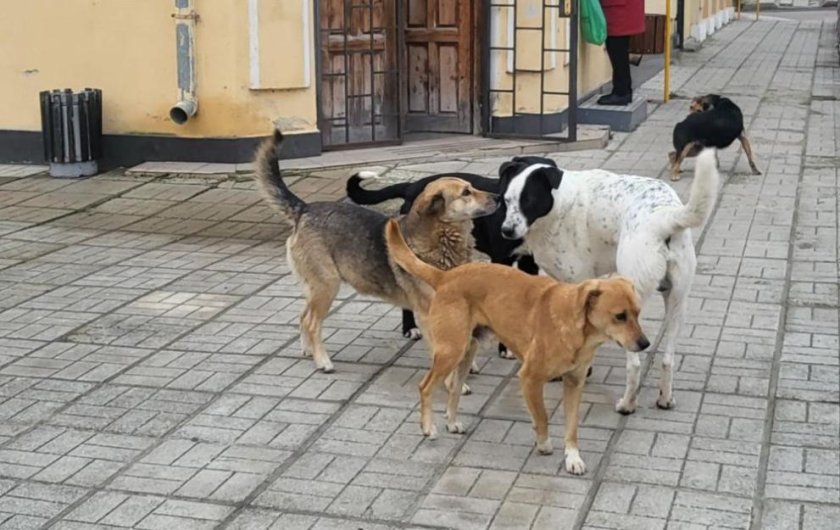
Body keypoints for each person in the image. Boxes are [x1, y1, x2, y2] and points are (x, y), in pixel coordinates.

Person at [598, 0, 646, 106]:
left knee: (617, 50)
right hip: (622, 8)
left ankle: (621, 92)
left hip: (620, 9)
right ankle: (623, 90)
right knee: (618, 50)